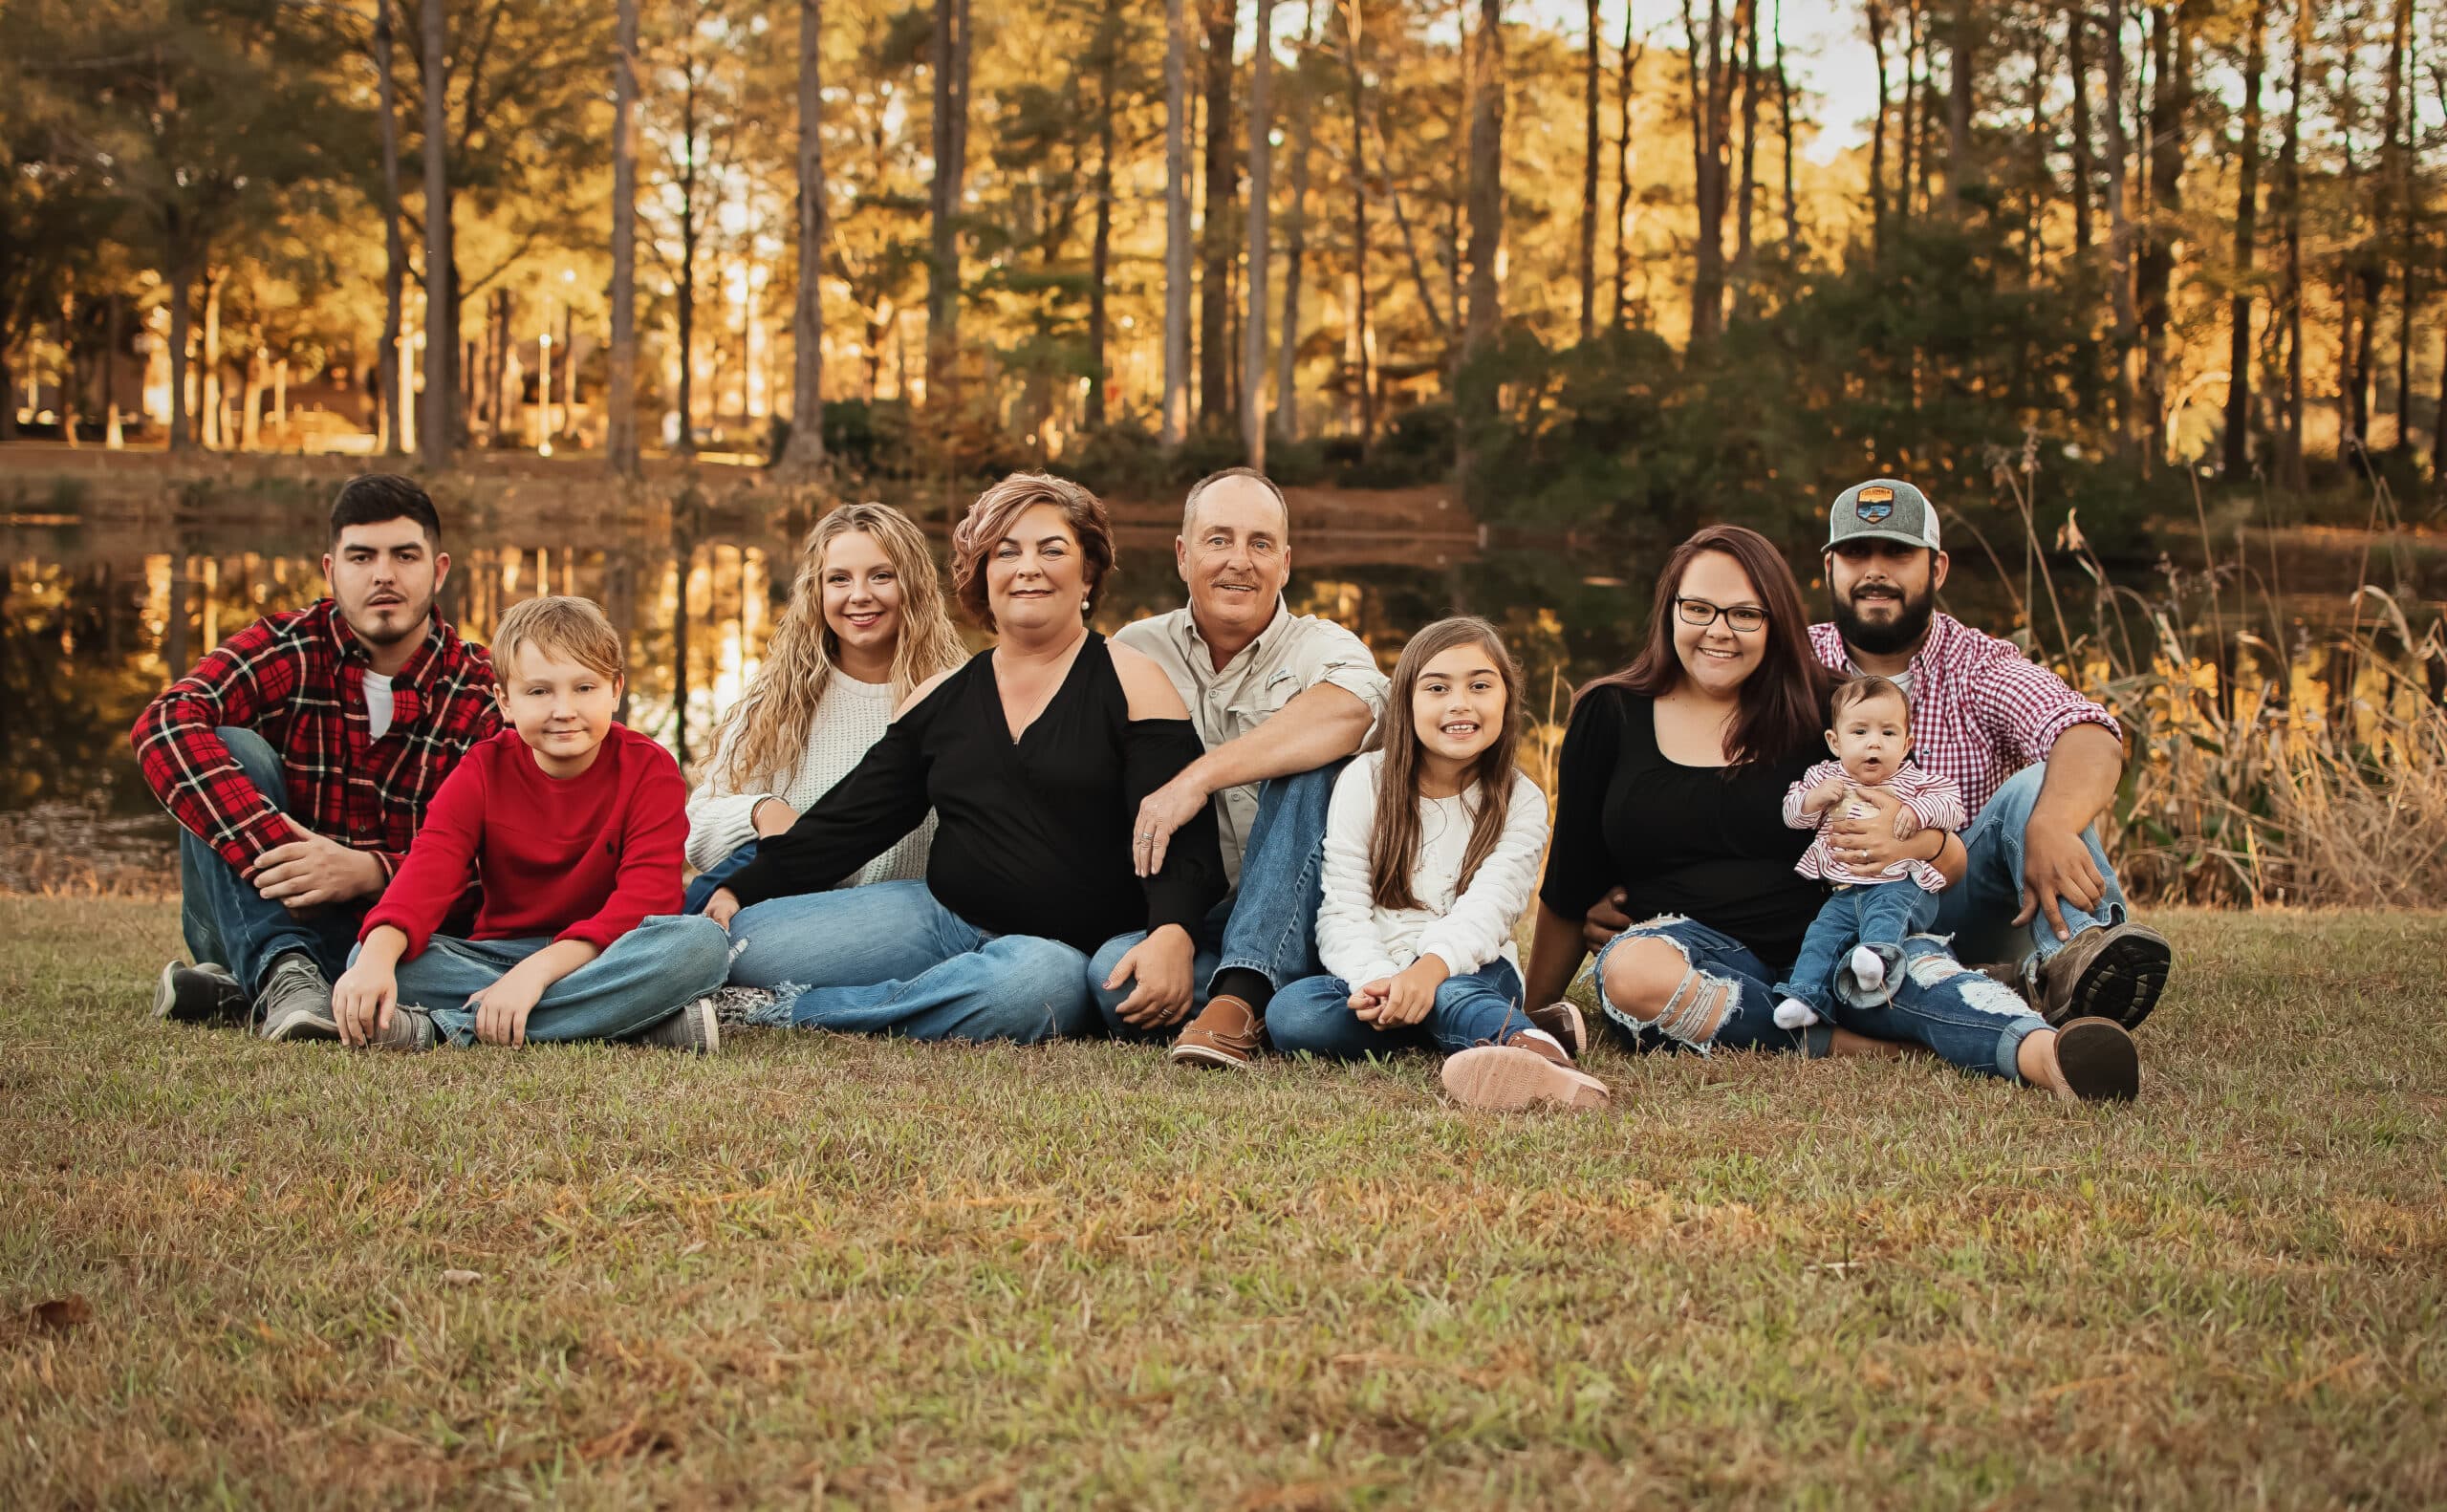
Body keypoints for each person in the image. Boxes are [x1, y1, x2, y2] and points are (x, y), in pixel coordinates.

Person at [1524, 524, 2141, 1105]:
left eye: (1744, 614)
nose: (1719, 631)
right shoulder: (1610, 712)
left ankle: (2051, 1058)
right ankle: (1852, 1043)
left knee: (1923, 974)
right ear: (1670, 610)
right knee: (1631, 973)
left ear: (1775, 621)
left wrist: (1916, 845)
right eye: (1699, 609)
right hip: (1690, 951)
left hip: (1836, 936)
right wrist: (1531, 1013)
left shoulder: (1830, 708)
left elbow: (1948, 855)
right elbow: (1571, 879)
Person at [702, 472, 1227, 1044]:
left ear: (1088, 574)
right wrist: (740, 889)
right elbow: (847, 825)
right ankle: (941, 986)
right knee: (745, 946)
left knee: (1030, 988)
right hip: (940, 919)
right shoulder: (941, 699)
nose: (1028, 567)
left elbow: (1186, 837)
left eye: (1052, 550)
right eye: (1007, 552)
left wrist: (1173, 930)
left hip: (1061, 951)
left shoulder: (1134, 681)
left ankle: (790, 1011)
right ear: (982, 575)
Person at [133, 473, 500, 1041]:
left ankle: (241, 989)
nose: (384, 575)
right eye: (362, 557)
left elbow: (499, 870)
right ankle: (284, 972)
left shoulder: (482, 693)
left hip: (402, 942)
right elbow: (163, 722)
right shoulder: (290, 647)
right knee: (229, 745)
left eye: (405, 556)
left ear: (439, 570)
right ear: (331, 571)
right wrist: (287, 857)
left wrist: (368, 872)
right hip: (261, 909)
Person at [1806, 478, 2170, 1027]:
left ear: (1937, 569)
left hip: (1958, 903)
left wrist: (2052, 822)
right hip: (1836, 906)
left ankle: (2080, 961)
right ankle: (2006, 980)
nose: (1875, 571)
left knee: (2036, 787)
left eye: (1898, 554)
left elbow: (2087, 731)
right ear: (1830, 566)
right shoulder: (1793, 664)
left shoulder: (1976, 665)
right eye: (1856, 554)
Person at [330, 596, 731, 1053]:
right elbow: (428, 871)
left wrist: (537, 974)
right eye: (539, 692)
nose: (564, 710)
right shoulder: (483, 770)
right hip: (499, 957)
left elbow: (646, 901)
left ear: (615, 691)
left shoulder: (649, 769)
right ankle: (626, 1022)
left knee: (701, 945)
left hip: (608, 954)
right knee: (371, 955)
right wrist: (377, 956)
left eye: (585, 688)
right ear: (505, 701)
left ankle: (450, 1028)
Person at [1094, 467, 1393, 1068]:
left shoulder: (1323, 647)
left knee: (1310, 765)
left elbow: (1355, 709)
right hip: (1197, 916)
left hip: (1312, 916)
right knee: (1113, 980)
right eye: (1218, 540)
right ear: (1183, 556)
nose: (1240, 561)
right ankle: (1278, 1001)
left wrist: (1198, 778)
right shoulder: (1135, 649)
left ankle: (1246, 992)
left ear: (1285, 563)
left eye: (1260, 544)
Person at [1267, 617, 1607, 1112]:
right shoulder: (1366, 780)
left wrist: (1426, 976)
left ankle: (1541, 1056)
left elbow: (1489, 910)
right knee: (1293, 1013)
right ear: (1406, 703)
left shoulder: (1522, 800)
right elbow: (1342, 907)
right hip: (1377, 972)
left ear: (1507, 698)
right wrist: (1378, 982)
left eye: (1480, 686)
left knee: (1452, 996)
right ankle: (1486, 1029)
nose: (1460, 703)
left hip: (1471, 969)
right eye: (1437, 688)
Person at [682, 502, 966, 915]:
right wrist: (760, 811)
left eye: (881, 576)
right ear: (816, 592)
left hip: (908, 920)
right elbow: (700, 826)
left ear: (914, 586)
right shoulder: (780, 699)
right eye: (839, 579)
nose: (859, 595)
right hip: (789, 909)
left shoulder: (955, 699)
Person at [1769, 674, 1967, 1030]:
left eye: (1888, 733)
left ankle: (1878, 959)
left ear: (1906, 744)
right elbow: (1792, 816)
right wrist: (1813, 800)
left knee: (1887, 914)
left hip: (1901, 883)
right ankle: (1804, 997)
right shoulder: (1824, 778)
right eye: (1860, 732)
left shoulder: (1914, 782)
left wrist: (1917, 812)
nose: (1874, 743)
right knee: (1821, 935)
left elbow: (1953, 806)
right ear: (1835, 742)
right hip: (1845, 891)